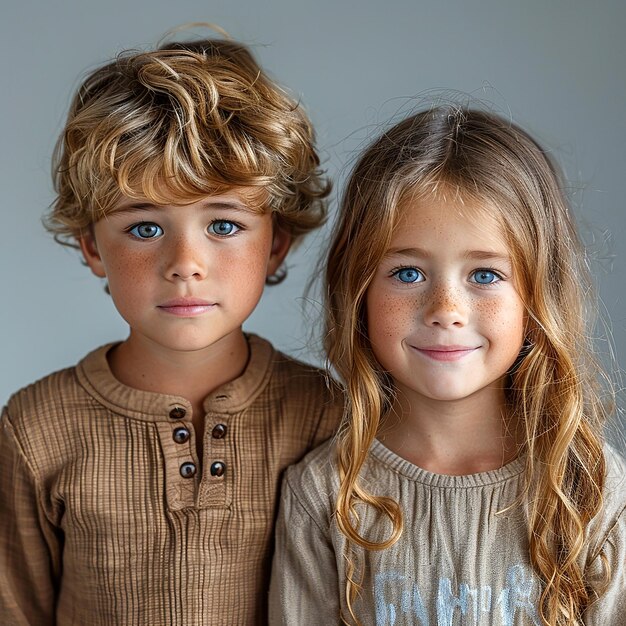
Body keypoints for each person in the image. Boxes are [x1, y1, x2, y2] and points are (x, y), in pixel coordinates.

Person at [0, 35, 342, 625]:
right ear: (92, 247)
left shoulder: (324, 416)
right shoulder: (36, 429)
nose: (186, 262)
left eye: (225, 225)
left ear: (276, 244)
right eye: (144, 229)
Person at [269, 106, 626, 625]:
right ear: (358, 289)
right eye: (408, 272)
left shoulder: (588, 490)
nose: (445, 311)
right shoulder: (327, 495)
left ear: (537, 294)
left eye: (484, 275)